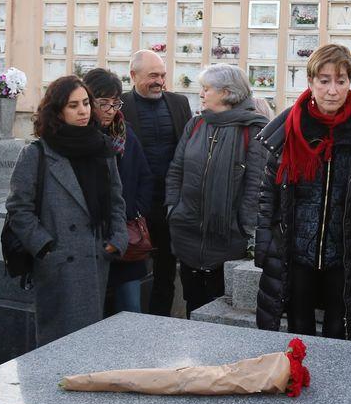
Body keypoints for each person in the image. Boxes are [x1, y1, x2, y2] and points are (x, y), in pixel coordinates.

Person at [254, 45, 351, 338]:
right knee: (298, 329)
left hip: (346, 251)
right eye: (324, 80)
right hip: (297, 250)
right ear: (311, 82)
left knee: (339, 330)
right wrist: (264, 243)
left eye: (341, 81)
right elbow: (269, 196)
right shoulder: (288, 130)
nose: (332, 90)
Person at [5, 76, 127, 344]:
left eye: (85, 103)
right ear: (57, 110)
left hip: (95, 259)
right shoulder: (36, 153)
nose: (83, 111)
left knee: (89, 342)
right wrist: (46, 247)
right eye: (73, 105)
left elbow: (117, 199)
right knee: (57, 345)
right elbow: (18, 208)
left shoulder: (101, 147)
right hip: (59, 265)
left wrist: (117, 240)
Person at [165, 64, 267, 314]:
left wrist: (245, 227)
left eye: (207, 88)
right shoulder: (196, 125)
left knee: (221, 312)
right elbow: (176, 170)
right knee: (193, 306)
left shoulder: (254, 130)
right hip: (188, 234)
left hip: (229, 241)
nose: (201, 93)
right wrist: (173, 209)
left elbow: (256, 186)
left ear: (227, 92)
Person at [121, 50, 192, 315]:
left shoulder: (179, 104)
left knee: (165, 270)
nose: (159, 81)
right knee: (130, 271)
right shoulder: (121, 107)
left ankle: (160, 321)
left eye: (162, 75)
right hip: (135, 206)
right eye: (152, 75)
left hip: (170, 203)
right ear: (133, 75)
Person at [84, 68, 152, 314]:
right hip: (91, 241)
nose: (111, 110)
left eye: (116, 103)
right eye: (104, 103)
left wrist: (132, 211)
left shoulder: (125, 132)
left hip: (126, 238)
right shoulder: (80, 138)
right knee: (93, 312)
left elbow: (145, 177)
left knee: (131, 308)